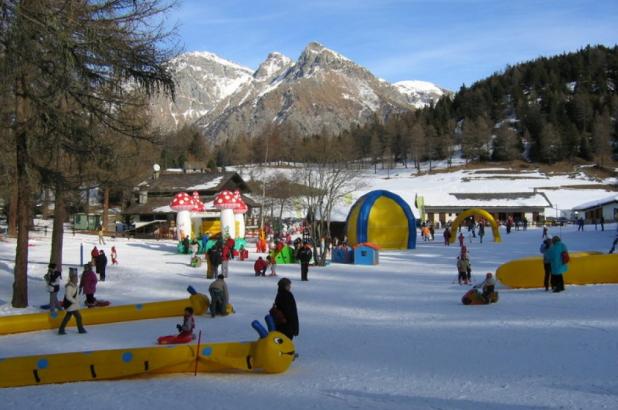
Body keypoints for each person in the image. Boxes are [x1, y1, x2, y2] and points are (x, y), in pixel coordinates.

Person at [58, 268, 87, 335]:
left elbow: (75, 295)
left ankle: (61, 329)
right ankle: (80, 329)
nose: (77, 280)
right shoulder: (69, 287)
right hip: (71, 305)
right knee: (78, 317)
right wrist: (74, 301)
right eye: (76, 279)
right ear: (72, 279)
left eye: (77, 278)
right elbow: (68, 296)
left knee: (68, 317)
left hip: (73, 305)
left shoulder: (74, 286)